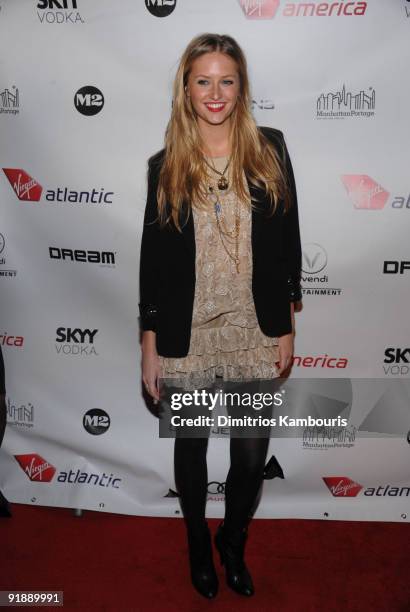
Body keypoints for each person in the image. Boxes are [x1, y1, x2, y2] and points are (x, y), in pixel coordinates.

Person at [139, 33, 302, 599]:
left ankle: (232, 541)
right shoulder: (166, 165)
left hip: (254, 327)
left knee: (251, 456)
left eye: (226, 80)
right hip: (188, 332)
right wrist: (149, 338)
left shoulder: (271, 148)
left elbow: (287, 239)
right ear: (186, 88)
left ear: (241, 86)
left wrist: (284, 325)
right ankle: (194, 542)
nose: (215, 92)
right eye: (203, 80)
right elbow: (153, 259)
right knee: (191, 444)